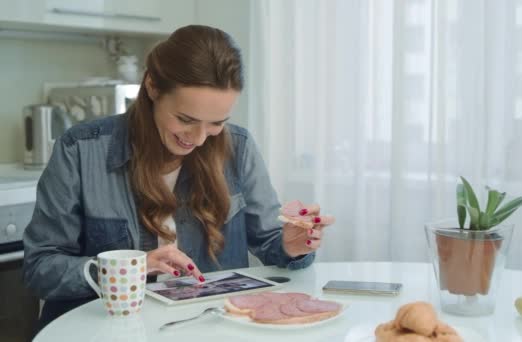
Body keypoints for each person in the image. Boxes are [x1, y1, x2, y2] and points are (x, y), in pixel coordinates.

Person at [23, 25, 335, 331]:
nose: (199, 139)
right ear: (152, 87)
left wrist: (293, 245)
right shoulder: (80, 149)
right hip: (109, 331)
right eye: (185, 119)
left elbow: (270, 244)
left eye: (216, 123)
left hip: (205, 328)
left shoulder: (238, 147)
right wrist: (128, 269)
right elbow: (40, 268)